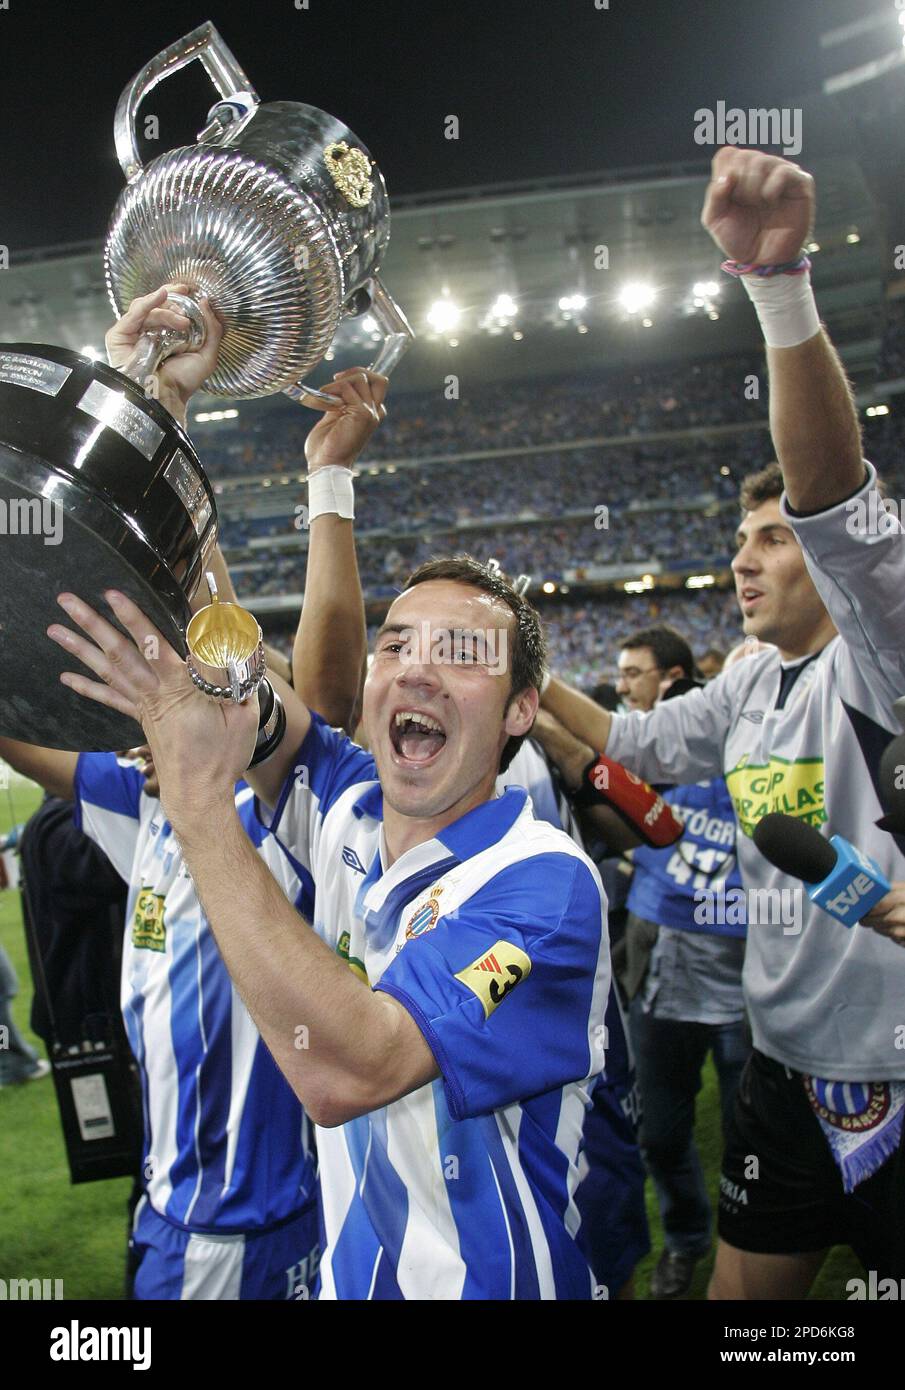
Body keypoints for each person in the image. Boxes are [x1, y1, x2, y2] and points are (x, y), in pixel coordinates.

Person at [45, 552, 610, 1299]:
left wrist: (199, 804)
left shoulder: (544, 885)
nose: (415, 669)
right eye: (397, 644)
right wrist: (177, 479)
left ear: (520, 709)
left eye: (462, 654)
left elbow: (354, 1069)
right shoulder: (348, 801)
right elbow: (241, 679)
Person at [542, 146, 905, 1299]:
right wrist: (519, 660)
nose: (740, 559)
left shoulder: (880, 656)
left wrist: (776, 283)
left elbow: (839, 510)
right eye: (738, 540)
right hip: (782, 1068)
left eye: (767, 538)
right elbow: (634, 748)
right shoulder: (750, 683)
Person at [0, 287, 385, 1299]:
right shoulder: (145, 806)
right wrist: (137, 408)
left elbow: (231, 668)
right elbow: (25, 694)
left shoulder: (298, 812)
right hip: (165, 1212)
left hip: (250, 1232)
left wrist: (160, 428)